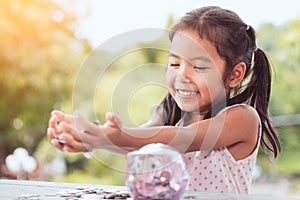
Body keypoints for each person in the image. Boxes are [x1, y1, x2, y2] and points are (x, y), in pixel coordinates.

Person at [47, 6, 281, 194]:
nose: (182, 75)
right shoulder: (168, 111)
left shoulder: (242, 119)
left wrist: (111, 136)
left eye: (198, 66)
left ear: (234, 75)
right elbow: (140, 141)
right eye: (174, 64)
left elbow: (182, 139)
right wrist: (93, 138)